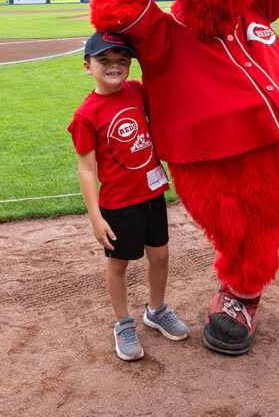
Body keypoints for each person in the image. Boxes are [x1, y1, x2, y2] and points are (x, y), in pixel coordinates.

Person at [68, 32, 189, 361]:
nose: (114, 66)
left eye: (122, 60)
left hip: (152, 194)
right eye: (104, 61)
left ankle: (157, 309)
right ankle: (123, 322)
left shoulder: (136, 91)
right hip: (119, 203)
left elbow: (165, 102)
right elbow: (86, 169)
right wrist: (95, 218)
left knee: (161, 256)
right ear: (87, 67)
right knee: (119, 264)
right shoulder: (86, 115)